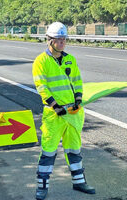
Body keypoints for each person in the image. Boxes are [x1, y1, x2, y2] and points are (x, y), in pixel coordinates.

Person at [32, 22, 95, 200]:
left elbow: (77, 81)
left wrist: (78, 100)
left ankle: (79, 181)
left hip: (73, 114)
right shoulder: (41, 61)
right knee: (49, 151)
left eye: (64, 39)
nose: (62, 42)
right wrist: (55, 106)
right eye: (58, 39)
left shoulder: (70, 59)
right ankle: (42, 186)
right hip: (54, 115)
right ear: (49, 40)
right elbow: (41, 86)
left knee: (74, 149)